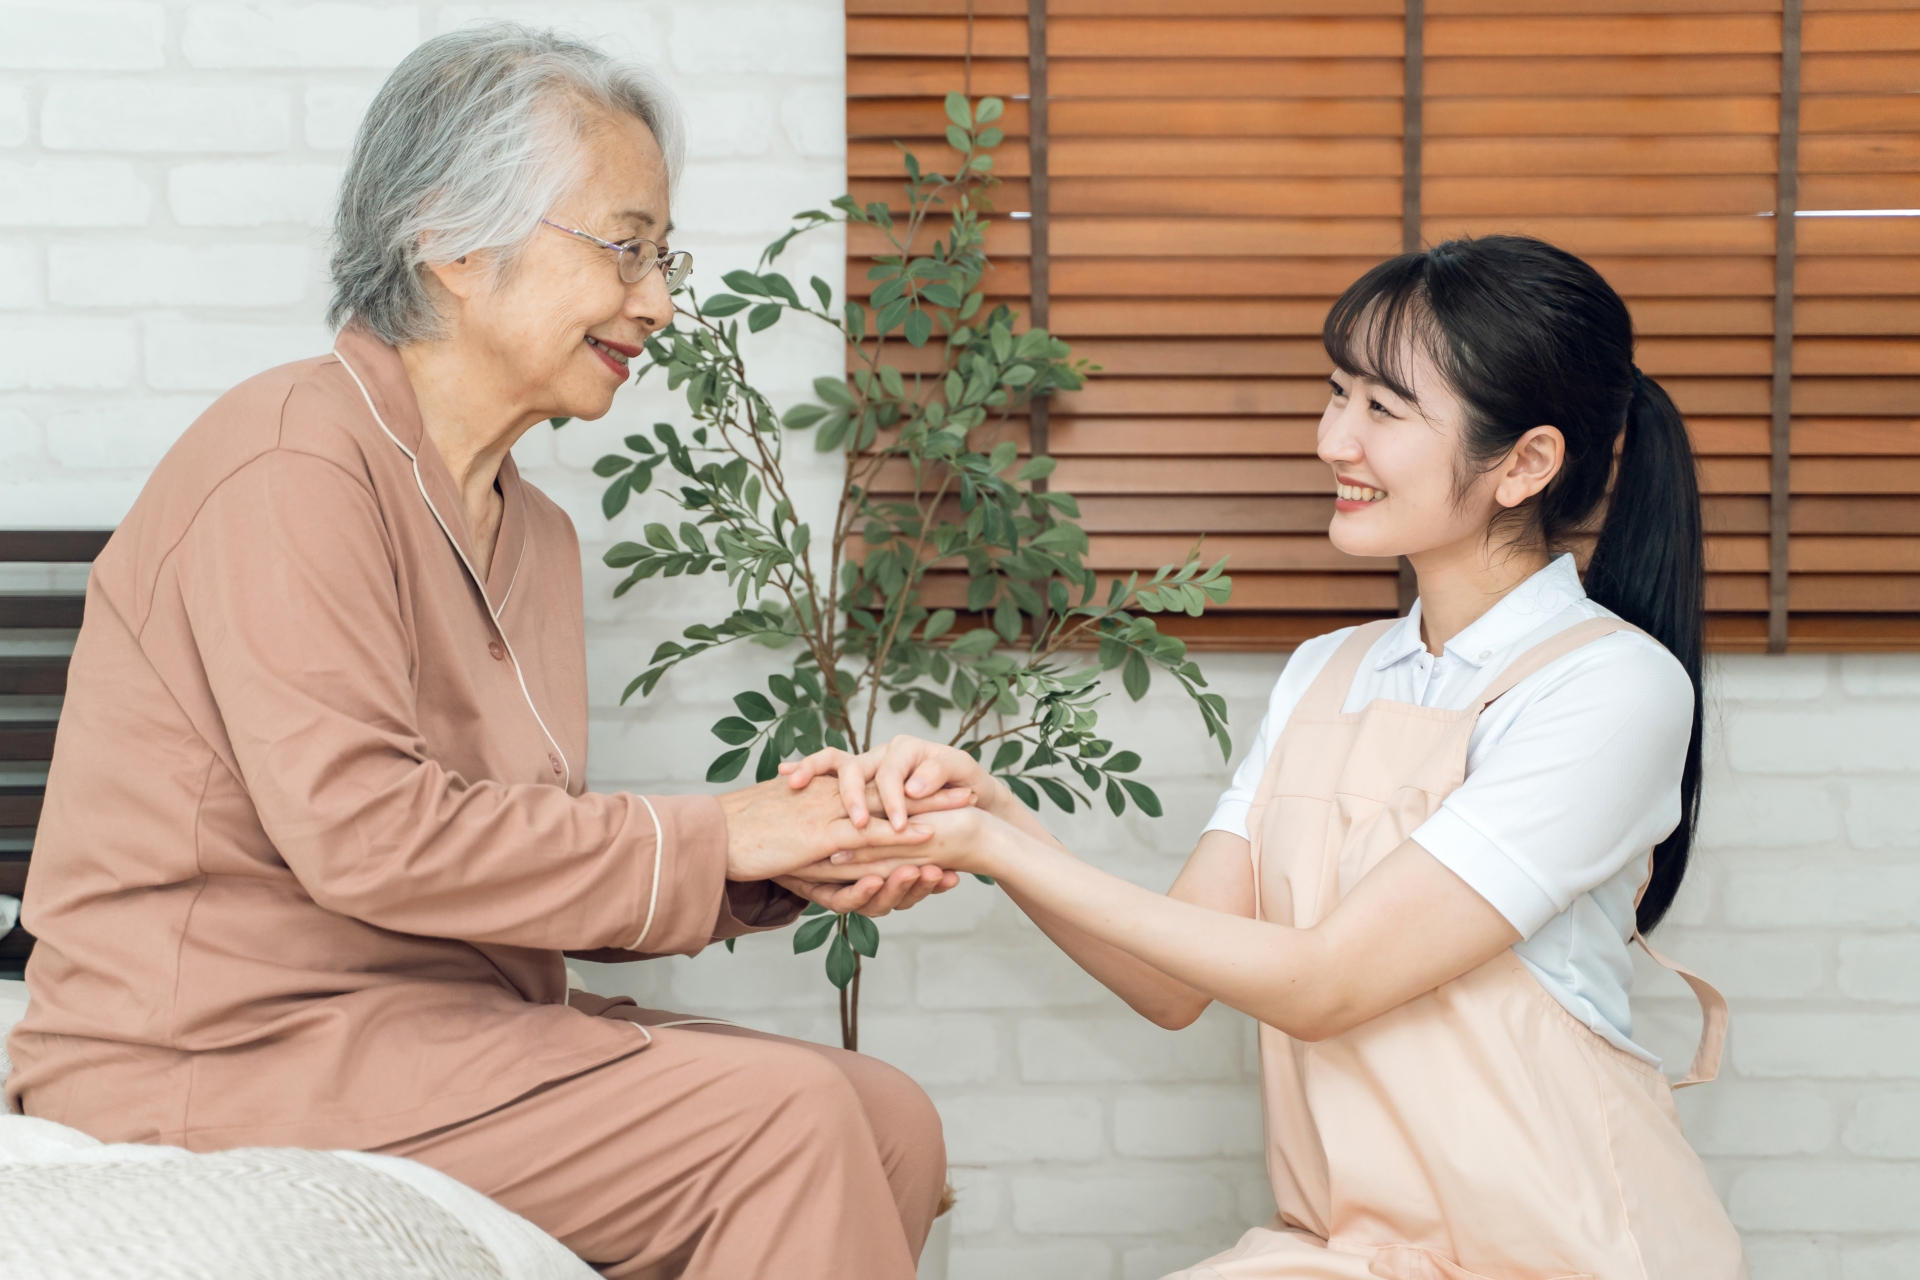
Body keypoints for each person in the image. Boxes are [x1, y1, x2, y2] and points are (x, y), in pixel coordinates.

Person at [7, 26, 959, 1280]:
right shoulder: (290, 460)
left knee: (892, 1120)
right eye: (625, 248)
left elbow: (501, 856)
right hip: (217, 1052)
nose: (661, 302)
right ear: (452, 239)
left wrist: (787, 857)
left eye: (663, 257)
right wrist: (720, 835)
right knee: (788, 1125)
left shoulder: (537, 531)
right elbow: (368, 834)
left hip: (428, 1032)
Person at [787, 236, 1748, 1277]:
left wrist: (1000, 846)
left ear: (1524, 463)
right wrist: (994, 821)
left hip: (1572, 1251)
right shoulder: (1326, 672)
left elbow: (1324, 982)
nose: (1333, 436)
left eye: (1383, 409)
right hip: (1356, 1250)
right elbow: (1173, 982)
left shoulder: (1608, 688)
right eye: (1337, 393)